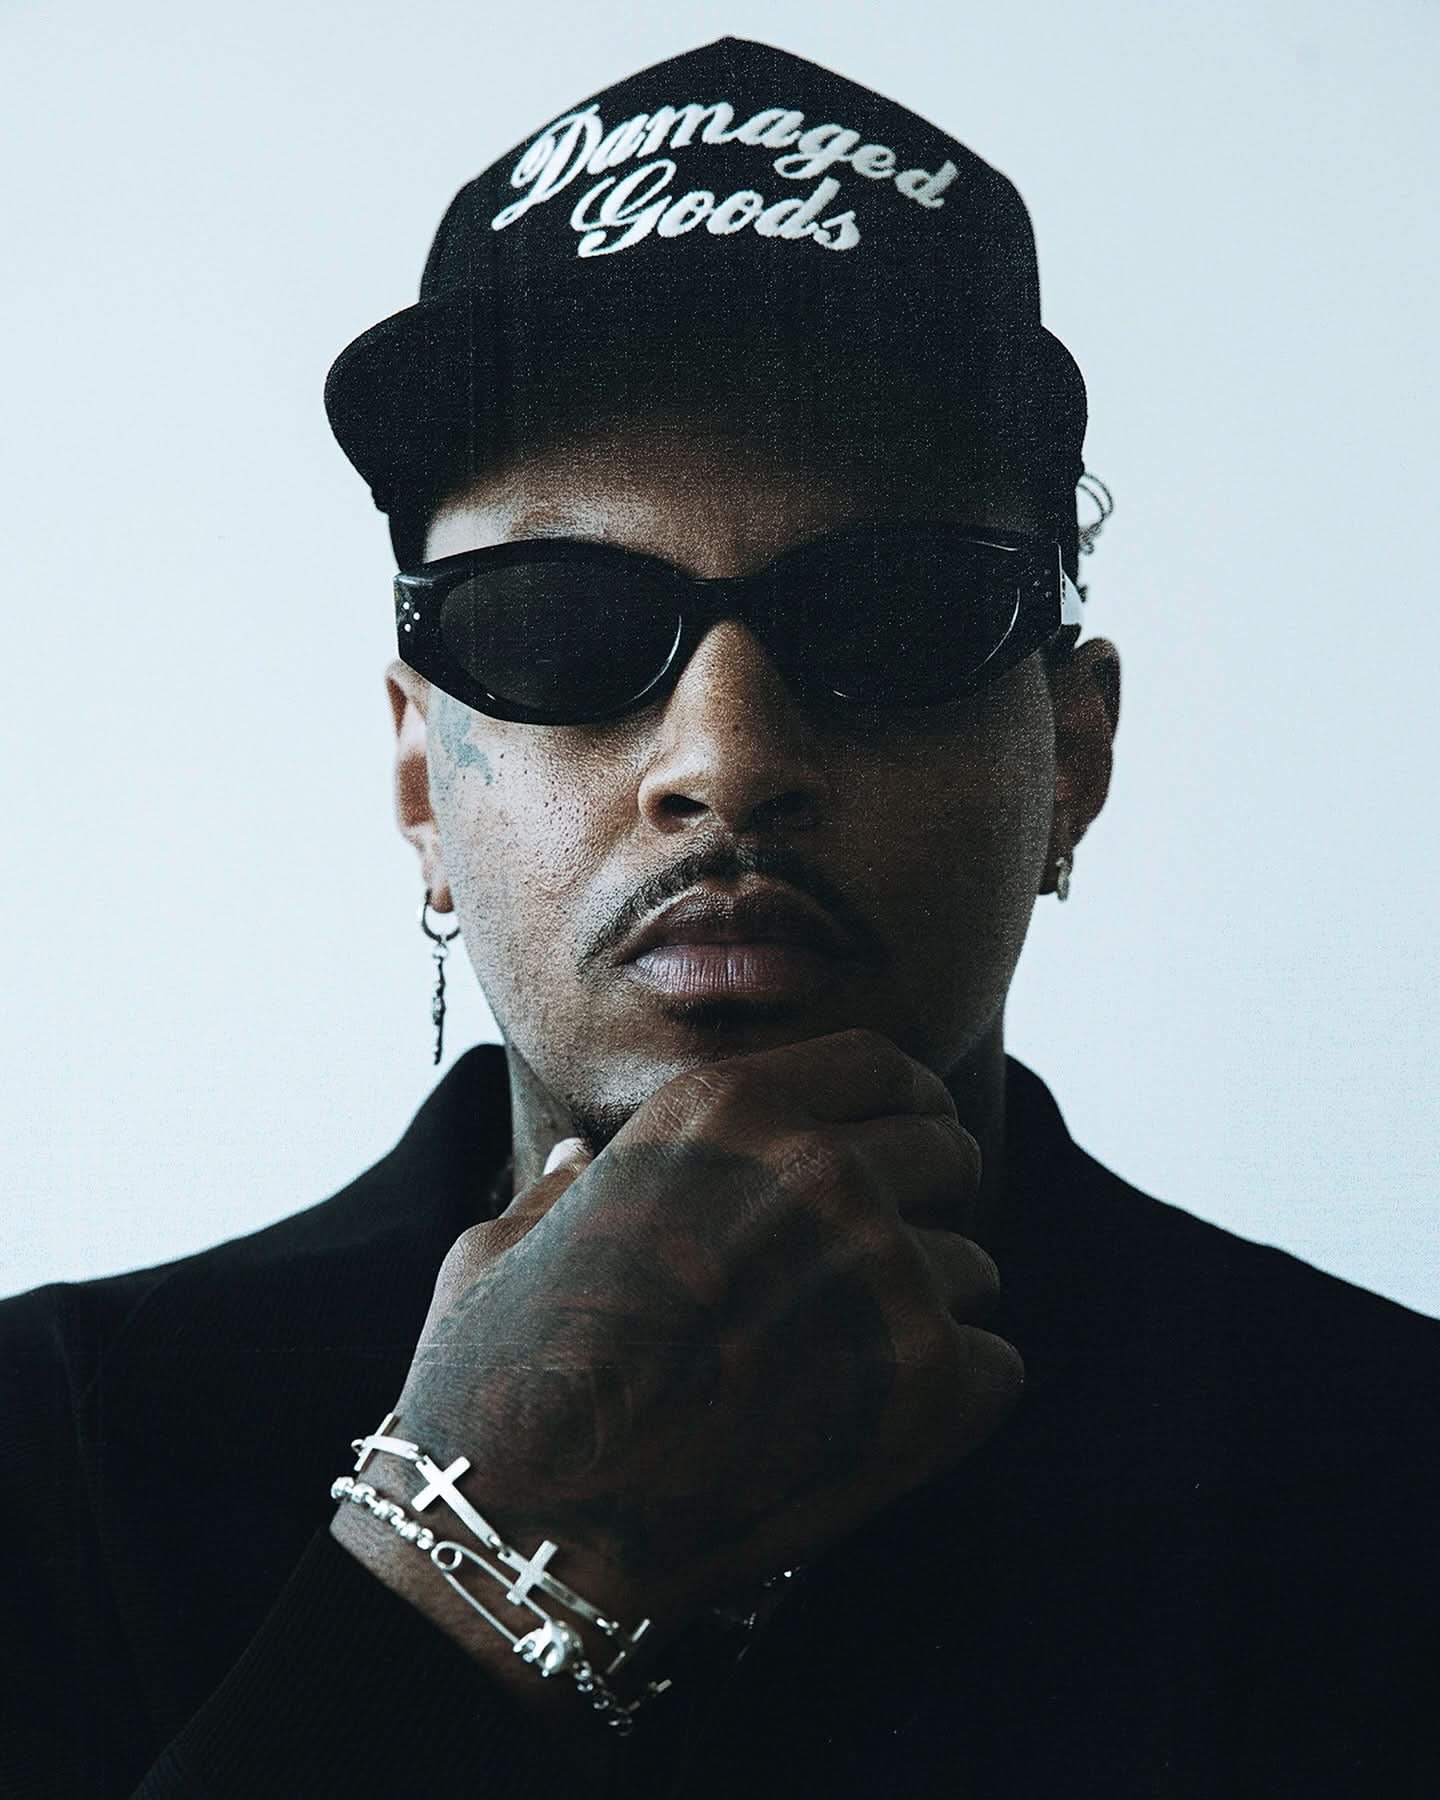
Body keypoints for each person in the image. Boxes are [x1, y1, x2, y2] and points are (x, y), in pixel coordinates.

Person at [3, 36, 1436, 1800]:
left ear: (1072, 758)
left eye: (897, 613)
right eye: (553, 622)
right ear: (420, 782)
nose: (725, 760)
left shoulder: (1387, 1472)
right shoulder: (54, 1452)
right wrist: (471, 1557)